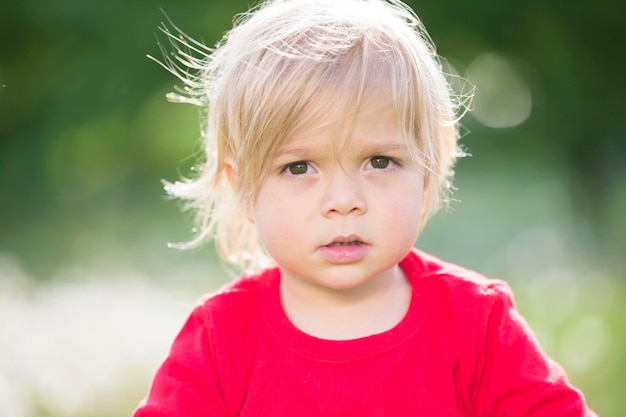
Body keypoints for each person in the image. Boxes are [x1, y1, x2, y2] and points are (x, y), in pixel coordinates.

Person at [133, 0, 597, 415]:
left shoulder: (475, 325)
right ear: (245, 189)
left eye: (380, 161)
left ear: (429, 173)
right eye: (299, 167)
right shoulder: (221, 340)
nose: (343, 202)